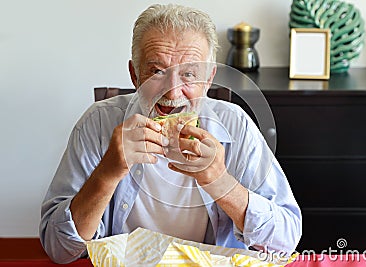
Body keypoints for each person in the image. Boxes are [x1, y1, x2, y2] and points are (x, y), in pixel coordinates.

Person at [40, 4, 301, 264]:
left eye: (189, 74)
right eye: (157, 72)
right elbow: (59, 249)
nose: (173, 93)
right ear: (134, 75)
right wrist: (109, 171)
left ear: (209, 78)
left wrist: (221, 183)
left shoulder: (236, 126)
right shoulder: (97, 123)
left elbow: (286, 240)